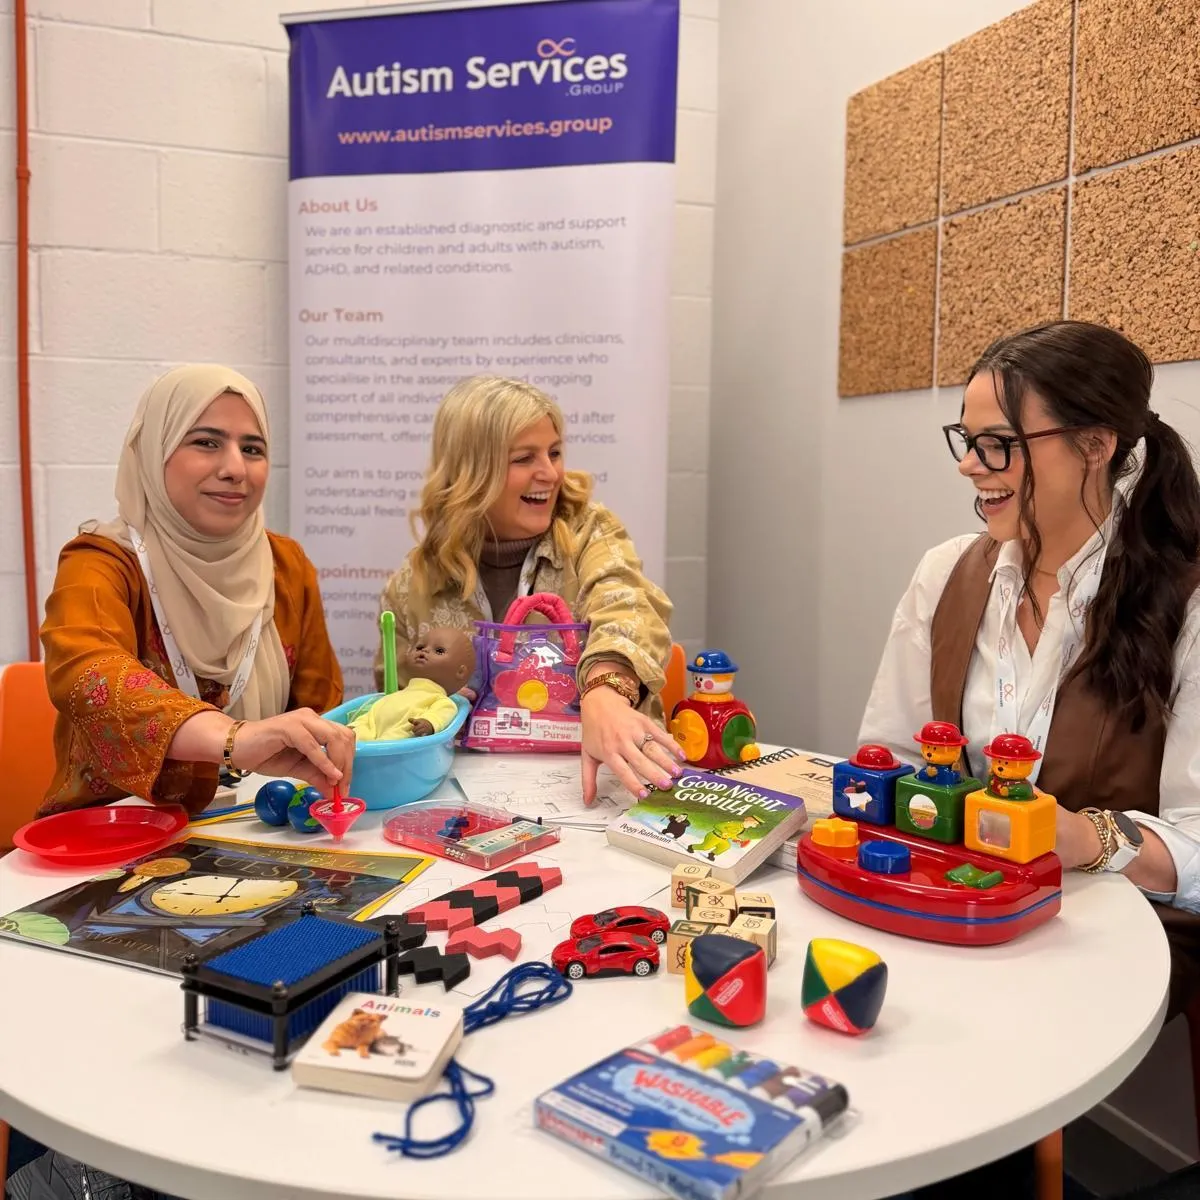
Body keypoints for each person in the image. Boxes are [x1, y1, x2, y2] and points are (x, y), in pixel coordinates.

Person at [860, 320, 1200, 1199]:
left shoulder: (1184, 598)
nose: (971, 466)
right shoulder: (948, 572)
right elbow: (891, 755)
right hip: (956, 905)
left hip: (1117, 937)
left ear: (1096, 445)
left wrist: (1085, 838)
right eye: (966, 442)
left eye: (998, 444)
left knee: (935, 1062)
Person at [38, 364, 355, 819]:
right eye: (206, 442)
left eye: (253, 448)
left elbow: (320, 709)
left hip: (264, 826)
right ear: (154, 451)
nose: (234, 468)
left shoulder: (286, 565)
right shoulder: (101, 562)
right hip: (118, 834)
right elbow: (85, 674)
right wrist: (233, 739)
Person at [375, 374, 682, 804]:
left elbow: (627, 605)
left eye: (554, 452)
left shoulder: (590, 532)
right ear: (472, 472)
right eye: (524, 458)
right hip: (458, 801)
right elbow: (396, 702)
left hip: (593, 790)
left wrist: (606, 691)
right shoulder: (416, 582)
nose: (551, 472)